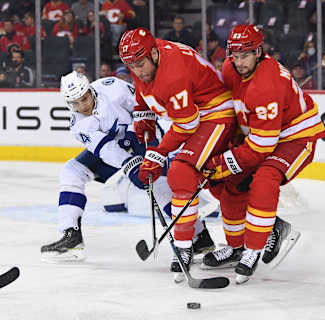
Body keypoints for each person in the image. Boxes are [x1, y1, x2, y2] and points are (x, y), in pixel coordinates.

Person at [40, 71, 215, 262]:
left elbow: (144, 107)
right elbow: (106, 149)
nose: (83, 105)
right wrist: (129, 164)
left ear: (90, 90)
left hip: (145, 136)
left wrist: (138, 135)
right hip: (117, 150)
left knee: (157, 186)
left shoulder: (112, 87)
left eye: (85, 98)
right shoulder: (77, 125)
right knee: (72, 171)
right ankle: (71, 234)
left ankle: (200, 237)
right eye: (76, 103)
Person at [201, 25, 325, 284]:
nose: (239, 62)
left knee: (264, 178)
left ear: (258, 52)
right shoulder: (229, 69)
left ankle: (254, 248)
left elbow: (262, 146)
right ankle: (237, 246)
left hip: (295, 138)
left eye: (245, 55)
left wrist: (224, 162)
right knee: (230, 185)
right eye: (234, 55)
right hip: (263, 135)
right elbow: (230, 110)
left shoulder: (268, 84)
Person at [118, 27, 237, 281]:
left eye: (140, 64)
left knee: (180, 172)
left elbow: (186, 124)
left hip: (215, 113)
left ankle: (185, 246)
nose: (137, 70)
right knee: (219, 184)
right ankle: (195, 245)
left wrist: (157, 153)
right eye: (131, 65)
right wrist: (143, 113)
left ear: (152, 53)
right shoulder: (147, 55)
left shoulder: (173, 73)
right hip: (197, 114)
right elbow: (142, 85)